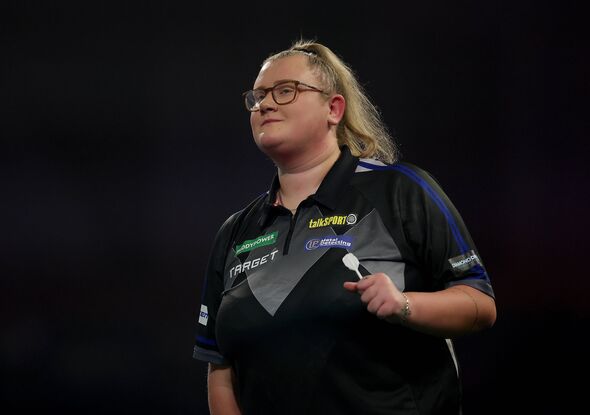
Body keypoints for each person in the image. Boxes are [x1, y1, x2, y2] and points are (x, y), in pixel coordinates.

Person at [192, 39, 496, 415]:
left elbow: (480, 304)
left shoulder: (400, 191)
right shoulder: (236, 232)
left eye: (285, 91)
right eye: (258, 96)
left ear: (334, 109)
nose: (265, 104)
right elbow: (220, 367)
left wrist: (405, 305)